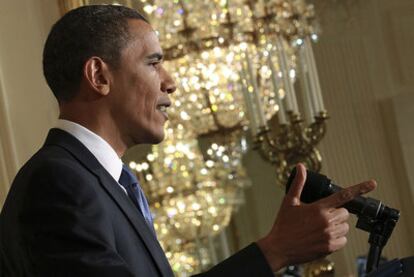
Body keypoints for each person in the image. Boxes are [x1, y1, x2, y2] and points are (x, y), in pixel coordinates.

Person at [0, 5, 376, 277]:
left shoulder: (99, 183)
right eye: (152, 63)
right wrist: (274, 251)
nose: (170, 82)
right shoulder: (57, 183)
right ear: (99, 75)